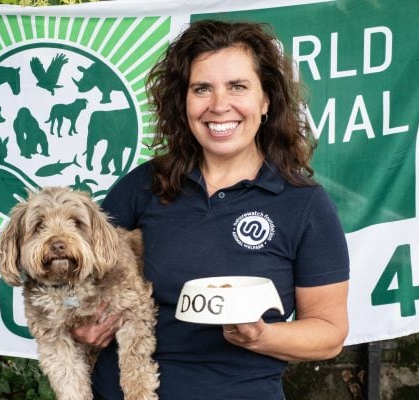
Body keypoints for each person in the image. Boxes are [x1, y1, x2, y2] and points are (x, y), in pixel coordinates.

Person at [72, 19, 349, 400]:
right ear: (182, 102)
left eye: (238, 86)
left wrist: (261, 335)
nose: (219, 105)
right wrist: (79, 319)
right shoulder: (142, 187)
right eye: (202, 88)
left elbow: (329, 334)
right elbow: (70, 280)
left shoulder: (303, 203)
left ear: (266, 100)